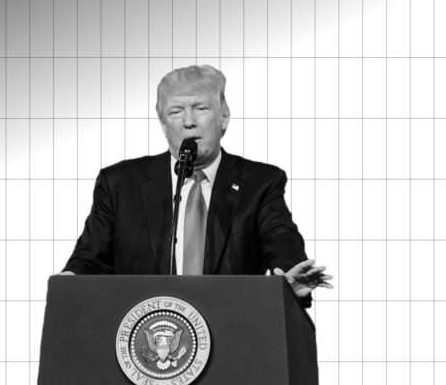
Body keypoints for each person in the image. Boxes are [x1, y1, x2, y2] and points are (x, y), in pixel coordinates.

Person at [60, 65, 331, 306]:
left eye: (201, 108)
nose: (189, 121)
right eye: (176, 111)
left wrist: (289, 276)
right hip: (143, 340)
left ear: (223, 116)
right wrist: (69, 281)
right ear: (163, 122)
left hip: (233, 332)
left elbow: (281, 240)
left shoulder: (260, 183)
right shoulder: (119, 184)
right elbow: (90, 260)